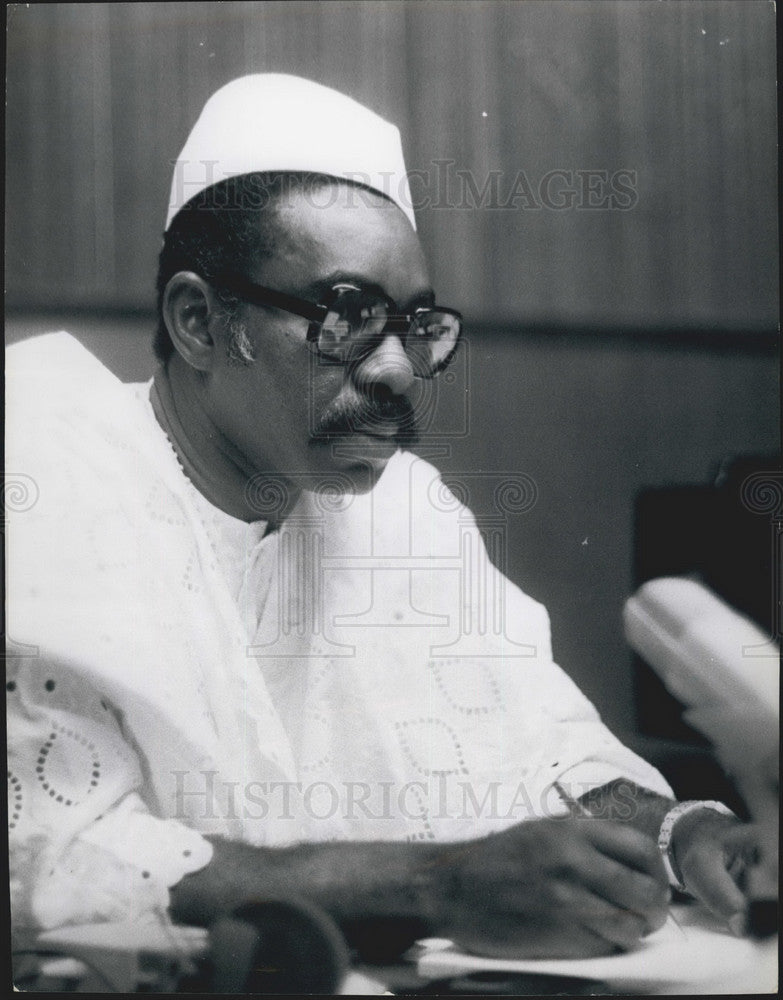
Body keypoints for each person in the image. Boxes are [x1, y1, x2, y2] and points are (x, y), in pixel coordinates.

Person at [7, 74, 755, 962]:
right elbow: (56, 856)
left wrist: (688, 835)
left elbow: (549, 759)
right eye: (350, 316)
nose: (397, 370)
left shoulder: (407, 510)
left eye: (417, 325)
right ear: (201, 322)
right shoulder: (44, 478)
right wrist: (433, 888)